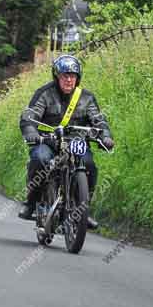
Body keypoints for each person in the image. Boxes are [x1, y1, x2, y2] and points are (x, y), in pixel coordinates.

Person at [18, 54, 114, 229]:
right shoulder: (44, 94)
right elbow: (30, 116)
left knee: (89, 165)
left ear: (78, 78)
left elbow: (99, 121)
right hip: (48, 142)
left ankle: (83, 210)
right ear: (57, 77)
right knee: (40, 159)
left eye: (72, 76)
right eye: (65, 76)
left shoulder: (86, 98)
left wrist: (105, 136)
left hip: (76, 144)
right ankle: (31, 203)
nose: (69, 80)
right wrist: (31, 132)